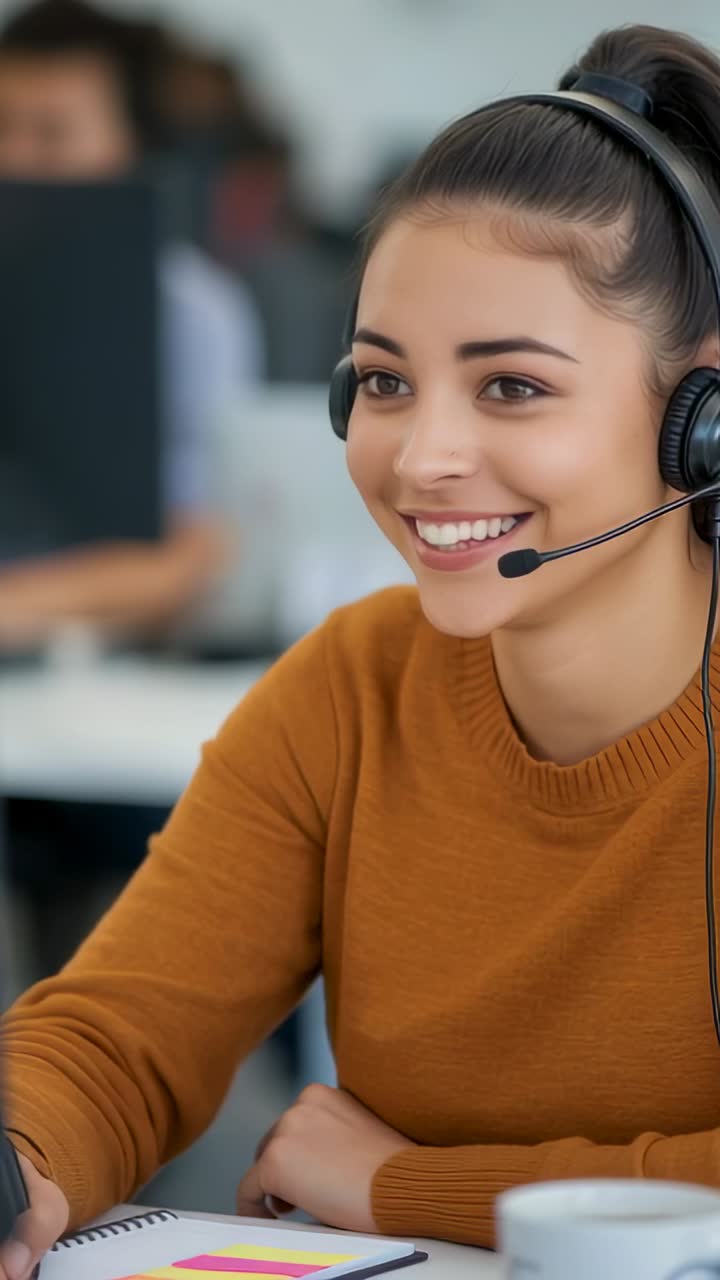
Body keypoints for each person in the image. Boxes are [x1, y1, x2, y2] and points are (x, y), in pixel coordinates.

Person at [4, 17, 720, 1276]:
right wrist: (14, 1154)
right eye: (384, 381)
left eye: (511, 386)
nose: (421, 456)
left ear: (701, 421)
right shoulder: (353, 685)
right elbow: (118, 1031)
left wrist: (400, 1183)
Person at [0, 0, 264, 643]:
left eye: (51, 132)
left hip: (77, 669)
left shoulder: (189, 310)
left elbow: (191, 555)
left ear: (127, 145)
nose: (13, 157)